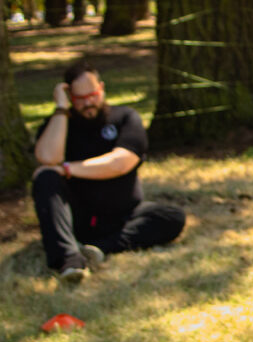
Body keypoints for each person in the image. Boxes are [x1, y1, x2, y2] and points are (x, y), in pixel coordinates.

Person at [32, 61, 186, 284]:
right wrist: (61, 110)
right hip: (78, 220)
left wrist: (68, 169)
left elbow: (120, 163)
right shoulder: (59, 124)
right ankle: (69, 260)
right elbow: (47, 158)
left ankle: (98, 249)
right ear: (69, 96)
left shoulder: (125, 118)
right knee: (46, 177)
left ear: (102, 88)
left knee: (172, 217)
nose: (88, 103)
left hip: (123, 215)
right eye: (79, 98)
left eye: (92, 94)